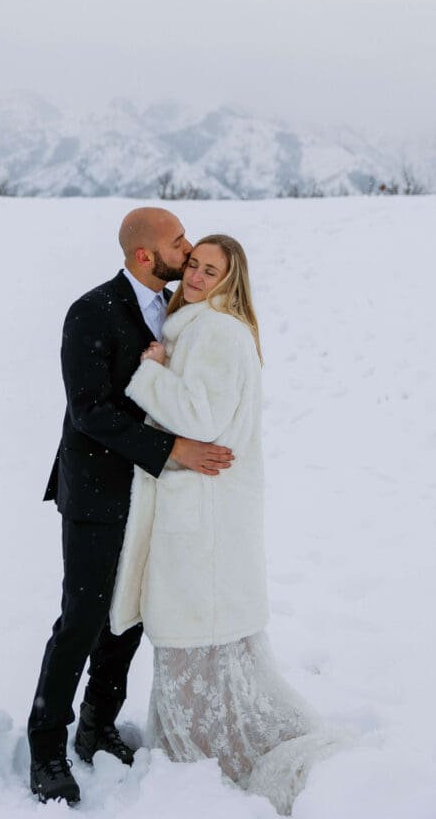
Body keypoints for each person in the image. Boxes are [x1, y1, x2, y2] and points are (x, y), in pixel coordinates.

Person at [111, 235, 339, 815]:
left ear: (230, 281)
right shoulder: (201, 327)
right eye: (193, 263)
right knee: (201, 651)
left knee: (196, 644)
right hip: (204, 512)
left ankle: (214, 771)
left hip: (203, 518)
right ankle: (196, 757)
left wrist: (151, 374)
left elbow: (201, 416)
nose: (196, 274)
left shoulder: (214, 332)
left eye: (212, 269)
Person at [28, 208, 235, 806]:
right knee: (82, 620)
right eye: (177, 241)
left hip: (155, 492)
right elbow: (90, 411)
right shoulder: (90, 311)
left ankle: (97, 724)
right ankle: (46, 746)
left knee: (133, 616)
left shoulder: (181, 309)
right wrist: (176, 448)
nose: (188, 248)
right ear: (146, 256)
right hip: (96, 493)